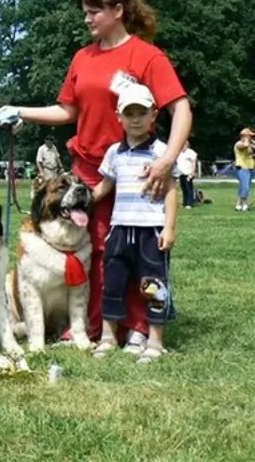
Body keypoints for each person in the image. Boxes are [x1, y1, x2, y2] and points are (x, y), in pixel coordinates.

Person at [0, 0, 192, 349]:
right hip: (87, 170)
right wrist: (18, 112)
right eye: (85, 12)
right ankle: (92, 328)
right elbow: (68, 109)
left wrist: (166, 159)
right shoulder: (83, 57)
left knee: (138, 249)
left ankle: (140, 327)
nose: (88, 19)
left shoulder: (147, 56)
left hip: (136, 172)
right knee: (93, 251)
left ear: (118, 11)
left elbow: (180, 108)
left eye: (95, 11)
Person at [91, 84, 178, 364]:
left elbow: (172, 190)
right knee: (113, 283)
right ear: (119, 117)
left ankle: (154, 340)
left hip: (151, 231)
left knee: (154, 285)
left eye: (142, 113)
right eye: (129, 113)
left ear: (154, 115)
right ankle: (107, 336)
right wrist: (79, 200)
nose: (136, 119)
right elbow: (104, 187)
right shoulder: (114, 153)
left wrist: (169, 227)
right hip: (120, 230)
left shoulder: (162, 153)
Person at [233, 128, 254, 212]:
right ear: (244, 136)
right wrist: (246, 140)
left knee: (243, 187)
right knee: (245, 187)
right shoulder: (238, 144)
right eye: (250, 136)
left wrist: (251, 142)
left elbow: (250, 151)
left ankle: (238, 204)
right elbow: (245, 146)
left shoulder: (250, 144)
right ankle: (244, 204)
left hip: (250, 168)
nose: (252, 137)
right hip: (242, 168)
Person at [176, 141, 198, 209]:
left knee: (189, 188)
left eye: (183, 145)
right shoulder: (179, 152)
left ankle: (189, 203)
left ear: (186, 145)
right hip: (181, 173)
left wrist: (192, 172)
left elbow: (194, 163)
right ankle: (185, 202)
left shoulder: (191, 153)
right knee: (184, 189)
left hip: (188, 173)